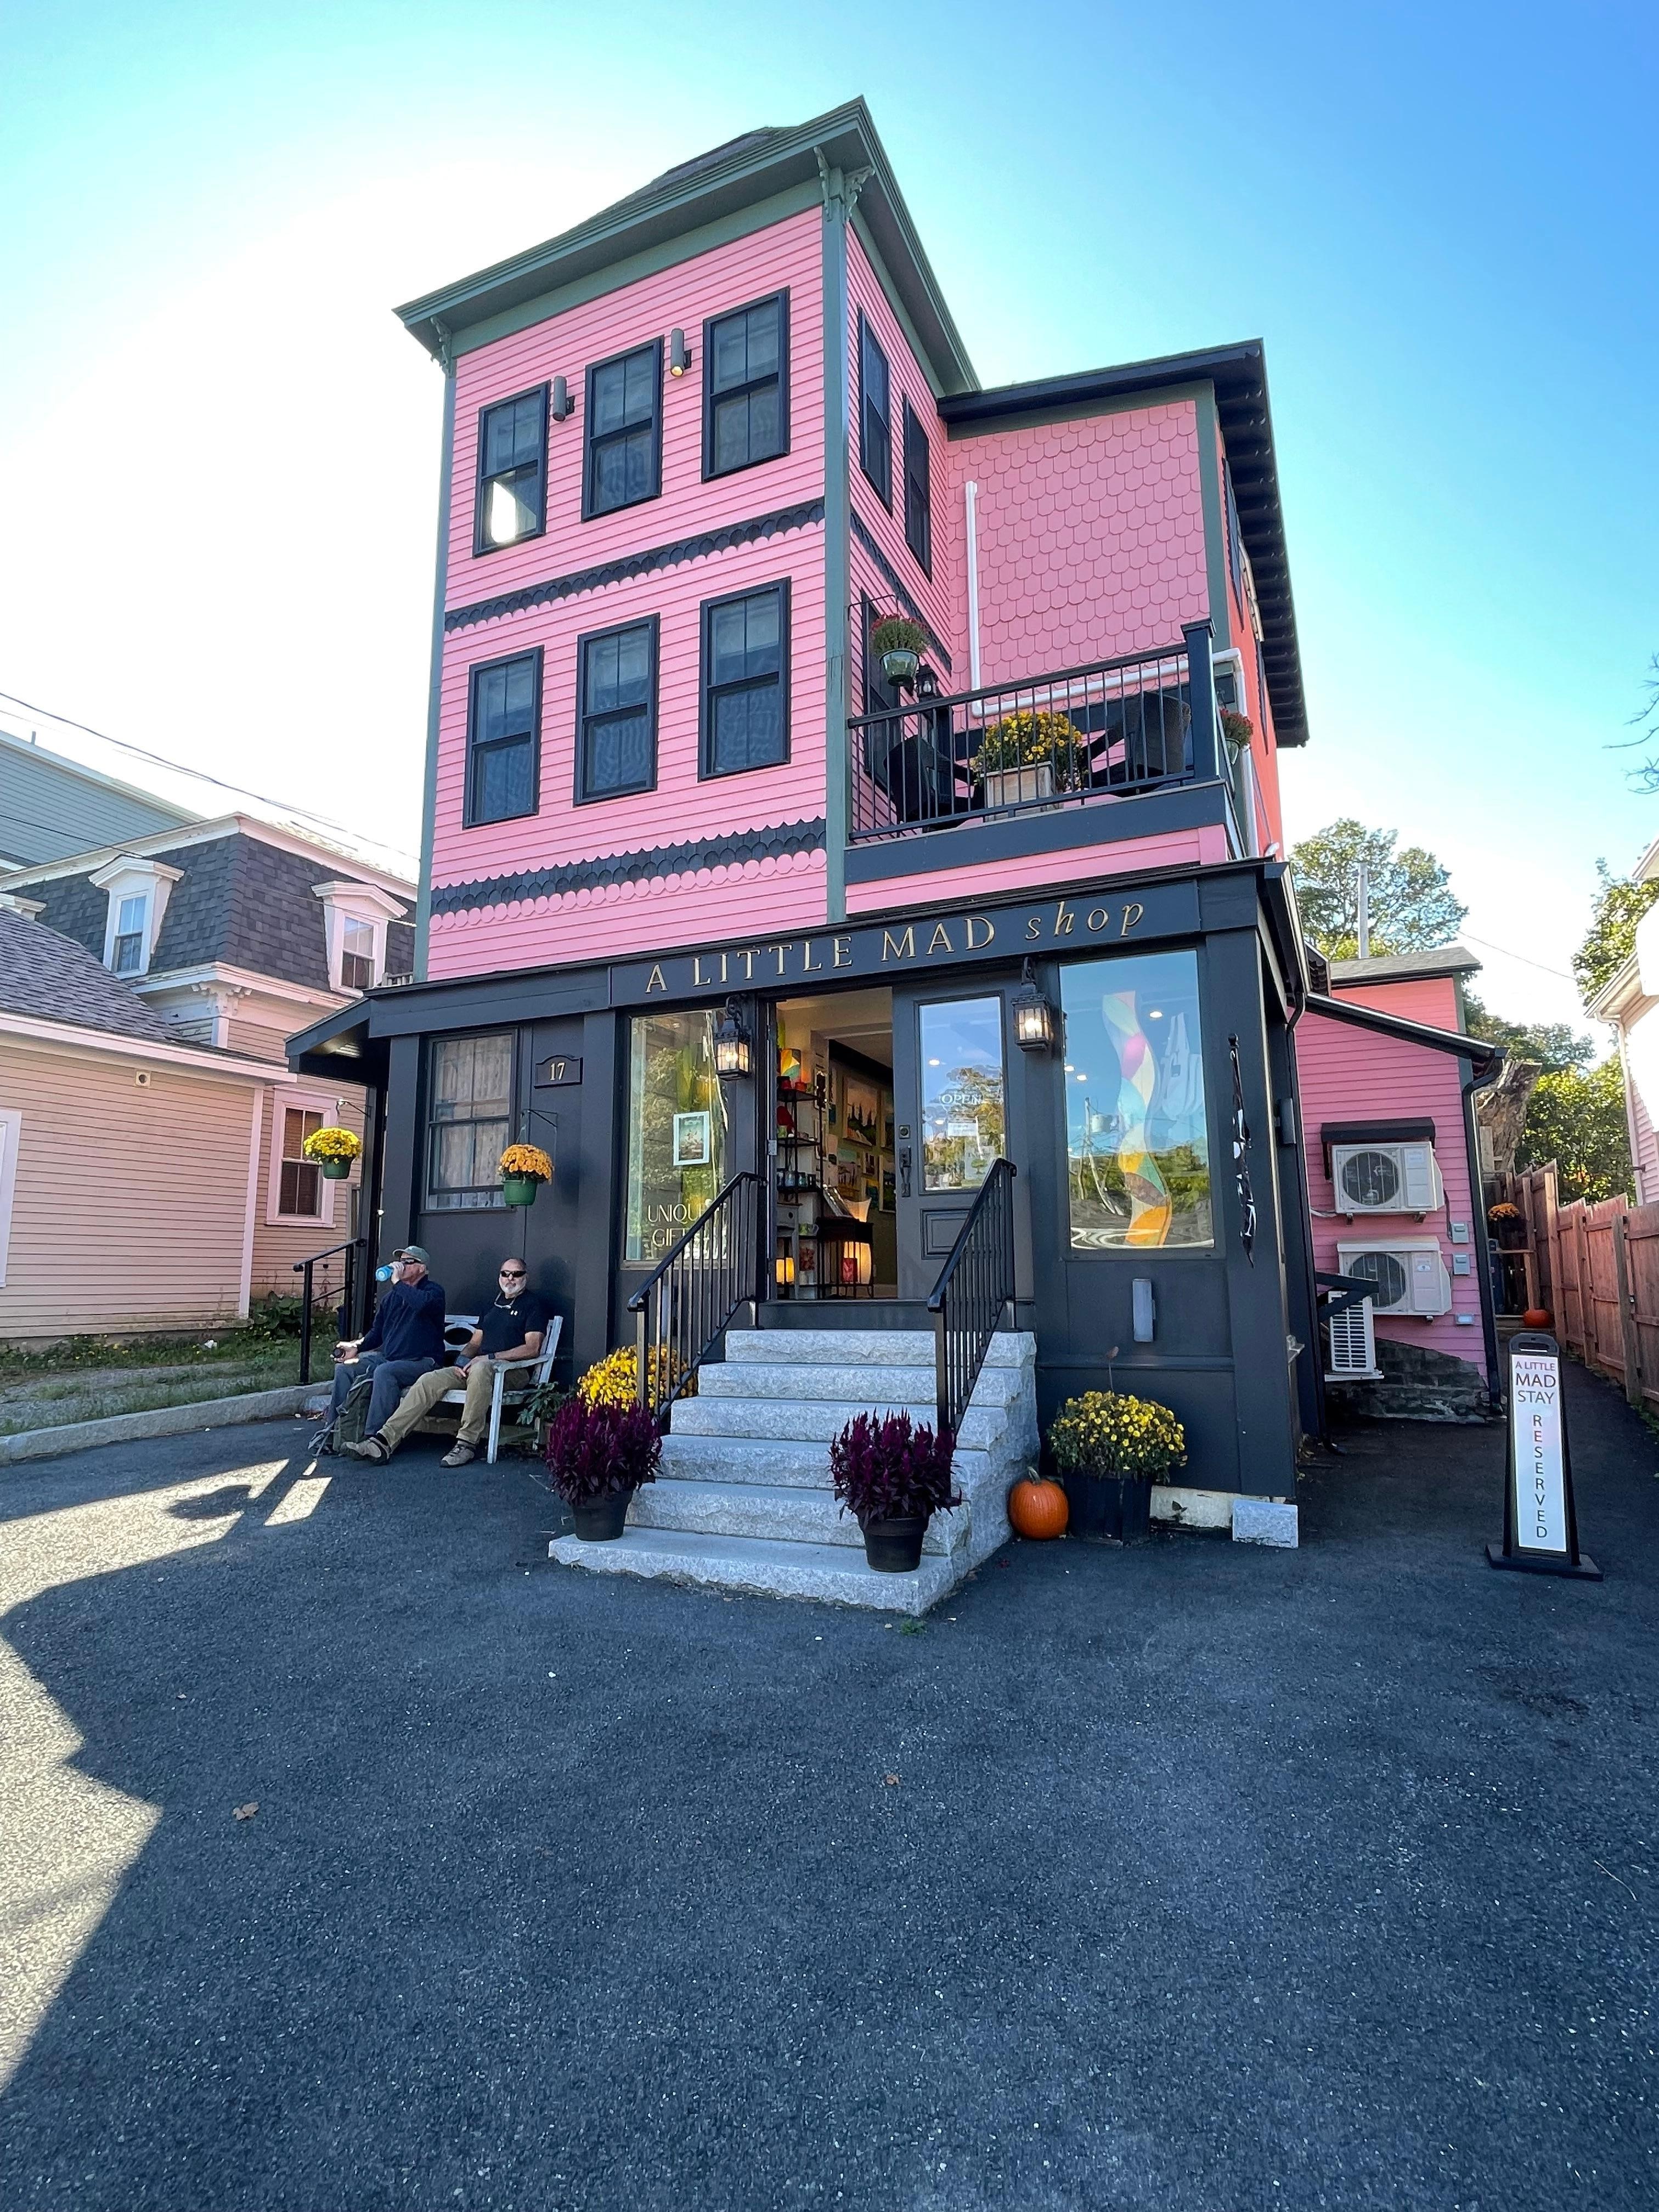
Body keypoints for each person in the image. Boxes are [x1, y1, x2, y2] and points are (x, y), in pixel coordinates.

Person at [344, 1259, 551, 1468]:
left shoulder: (532, 1305)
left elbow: (532, 1348)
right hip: (477, 1369)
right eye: (505, 1274)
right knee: (430, 1379)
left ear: (525, 1277)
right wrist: (462, 1362)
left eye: (516, 1274)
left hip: (511, 1372)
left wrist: (490, 1358)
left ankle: (466, 1444)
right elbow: (474, 1343)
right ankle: (383, 1442)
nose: (510, 1279)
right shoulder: (494, 1304)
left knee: (480, 1368)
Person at [318, 1247, 447, 1449]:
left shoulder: (434, 1292)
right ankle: (334, 1433)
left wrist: (397, 1283)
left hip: (422, 1362)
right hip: (390, 1358)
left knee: (385, 1372)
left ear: (422, 1268)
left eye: (408, 1262)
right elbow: (376, 1333)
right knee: (345, 1370)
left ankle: (375, 1439)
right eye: (400, 1261)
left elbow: (421, 1305)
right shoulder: (391, 1298)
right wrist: (356, 1348)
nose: (401, 1265)